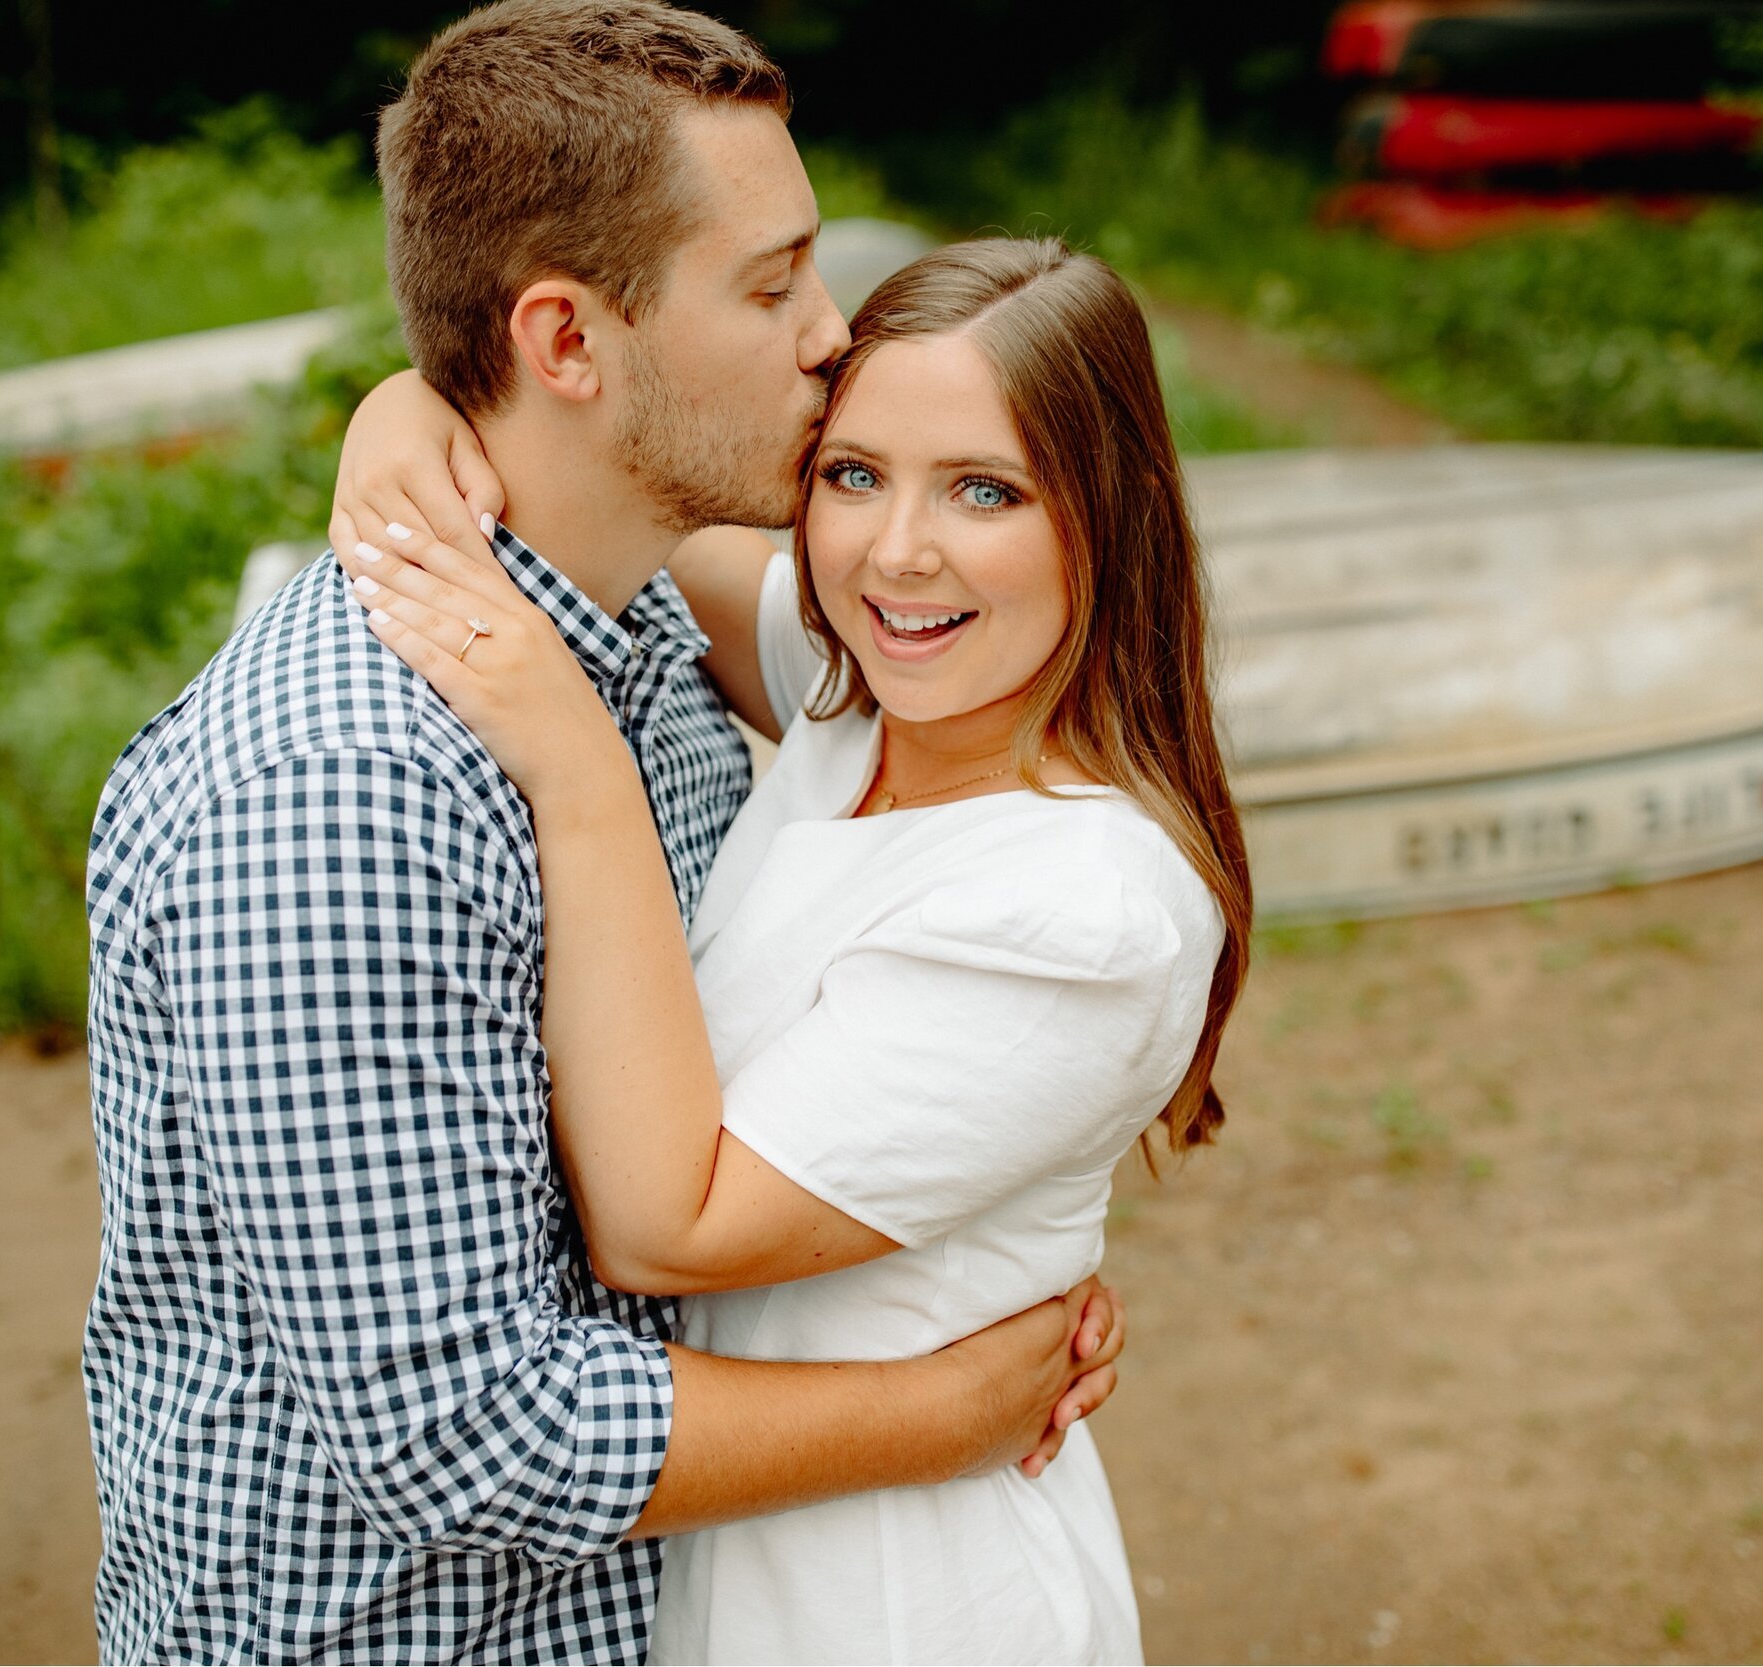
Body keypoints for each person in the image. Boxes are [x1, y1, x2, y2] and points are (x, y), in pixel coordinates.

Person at [80, 7, 1122, 1662]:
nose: (828, 336)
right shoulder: (338, 796)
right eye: (772, 284)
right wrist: (935, 1407)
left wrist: (409, 407)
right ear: (566, 341)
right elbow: (463, 1429)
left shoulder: (642, 640)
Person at [333, 236, 1252, 1662]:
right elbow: (593, 496)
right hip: (732, 1555)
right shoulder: (863, 695)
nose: (897, 552)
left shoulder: (1084, 908)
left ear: (1110, 514)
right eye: (854, 474)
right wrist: (401, 414)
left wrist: (582, 777)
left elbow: (666, 1225)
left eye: (985, 491)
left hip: (898, 1595)